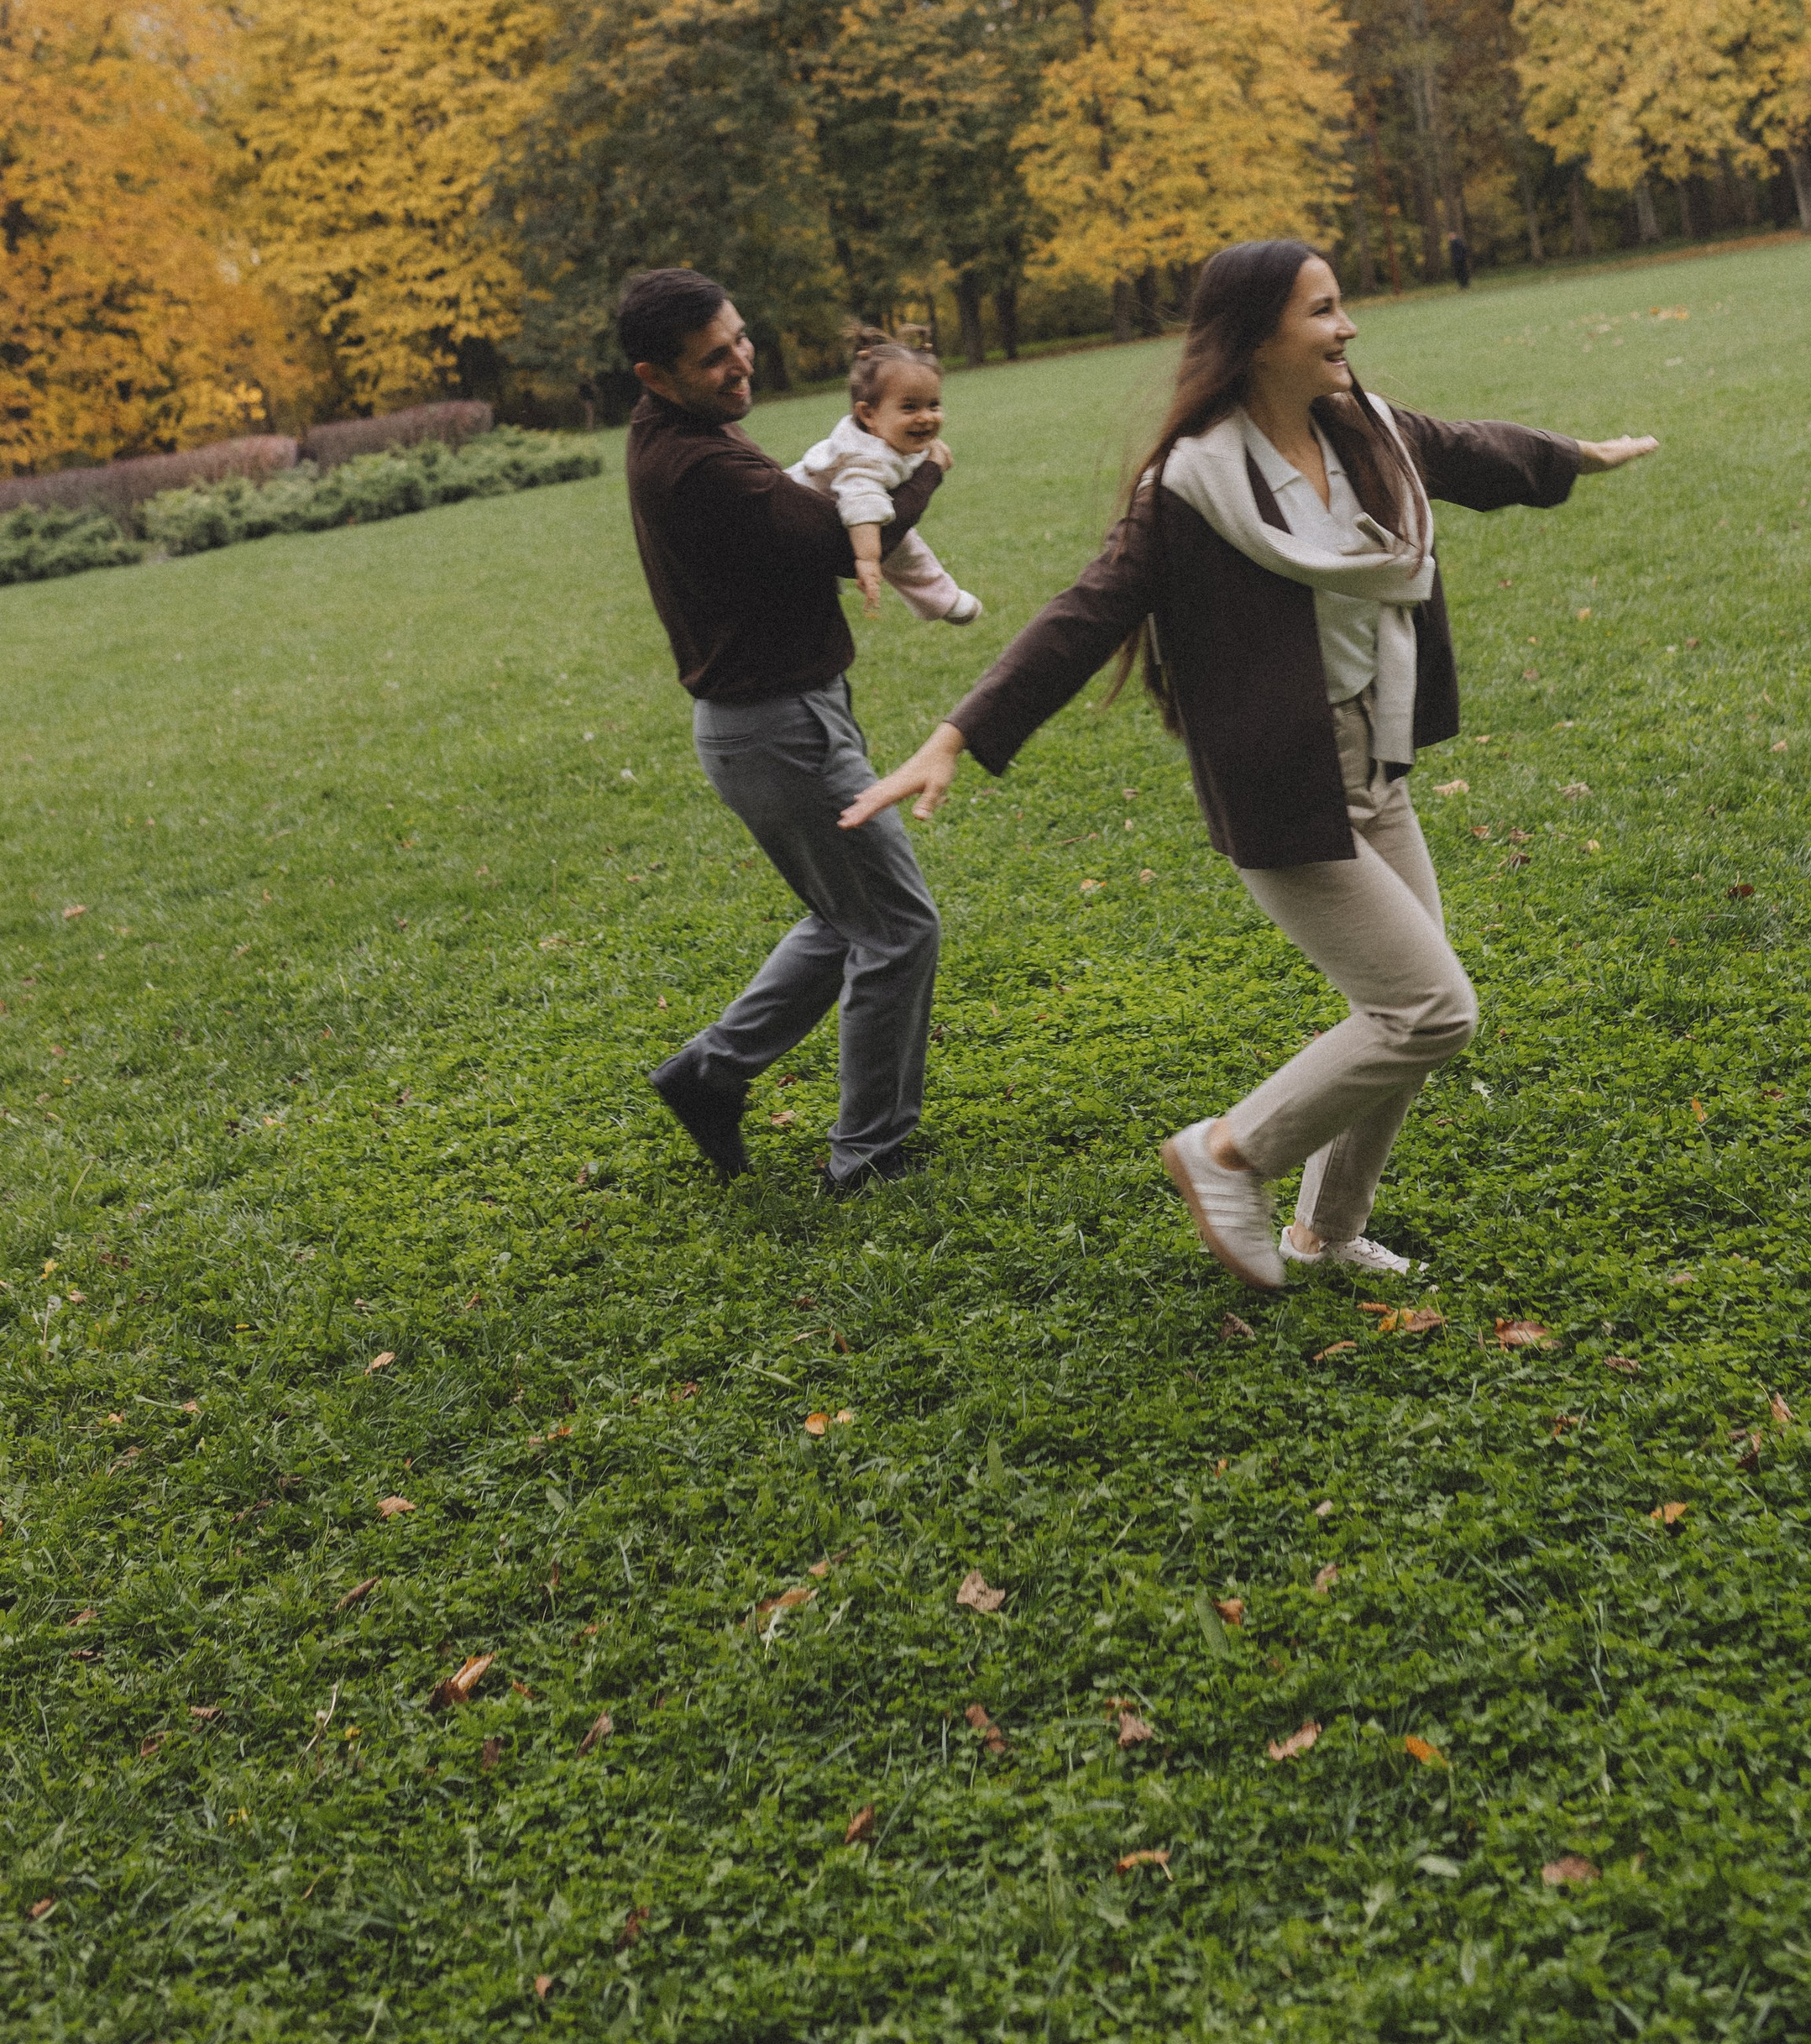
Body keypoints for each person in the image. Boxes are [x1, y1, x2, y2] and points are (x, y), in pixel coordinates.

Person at [843, 240, 1656, 1288]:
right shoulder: (1195, 483)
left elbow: (1469, 449)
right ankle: (1227, 1153)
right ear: (1258, 335)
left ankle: (1320, 1236)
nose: (1347, 328)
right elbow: (1088, 612)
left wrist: (1574, 457)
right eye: (1323, 310)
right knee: (1430, 1012)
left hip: (1376, 760)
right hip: (1283, 783)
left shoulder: (1367, 434)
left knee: (1398, 1017)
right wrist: (958, 735)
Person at [618, 265, 951, 1198]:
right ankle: (868, 1153)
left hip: (775, 719)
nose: (737, 364)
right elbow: (829, 541)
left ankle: (710, 1075)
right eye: (711, 358)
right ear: (653, 374)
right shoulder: (696, 462)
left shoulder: (684, 430)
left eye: (738, 339)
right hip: (777, 728)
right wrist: (917, 471)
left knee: (848, 917)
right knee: (896, 928)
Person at [787, 340, 984, 624]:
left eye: (934, 405)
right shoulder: (865, 460)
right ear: (869, 415)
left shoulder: (891, 439)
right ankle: (945, 599)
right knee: (898, 538)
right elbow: (862, 507)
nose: (926, 417)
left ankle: (945, 599)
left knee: (899, 532)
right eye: (909, 407)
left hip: (814, 533)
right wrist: (867, 561)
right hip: (793, 533)